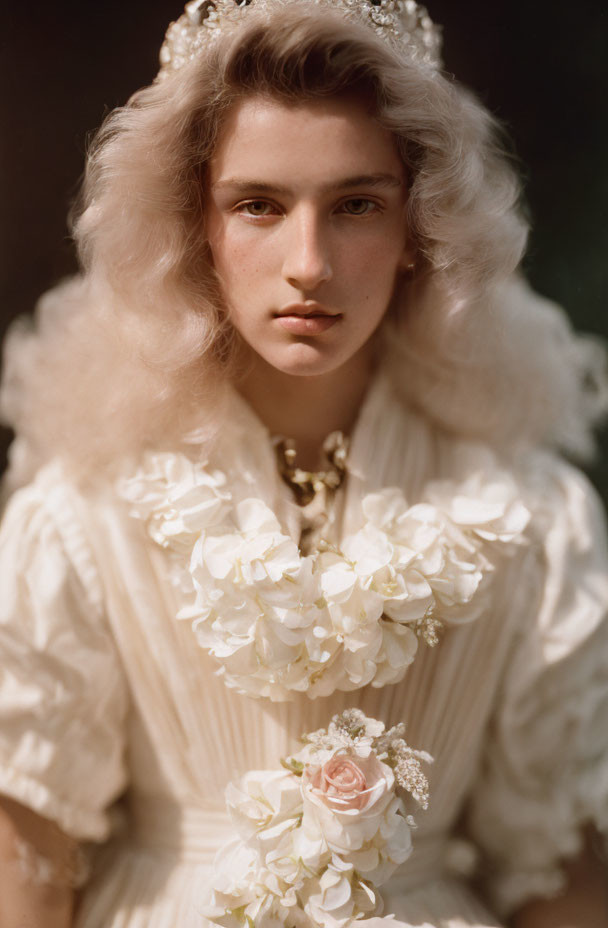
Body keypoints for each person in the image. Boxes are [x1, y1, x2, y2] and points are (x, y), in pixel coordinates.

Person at [0, 1, 607, 926]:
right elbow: (27, 859)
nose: (309, 264)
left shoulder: (530, 515)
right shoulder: (83, 511)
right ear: (193, 226)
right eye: (258, 206)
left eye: (357, 205)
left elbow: (558, 871)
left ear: (420, 231)